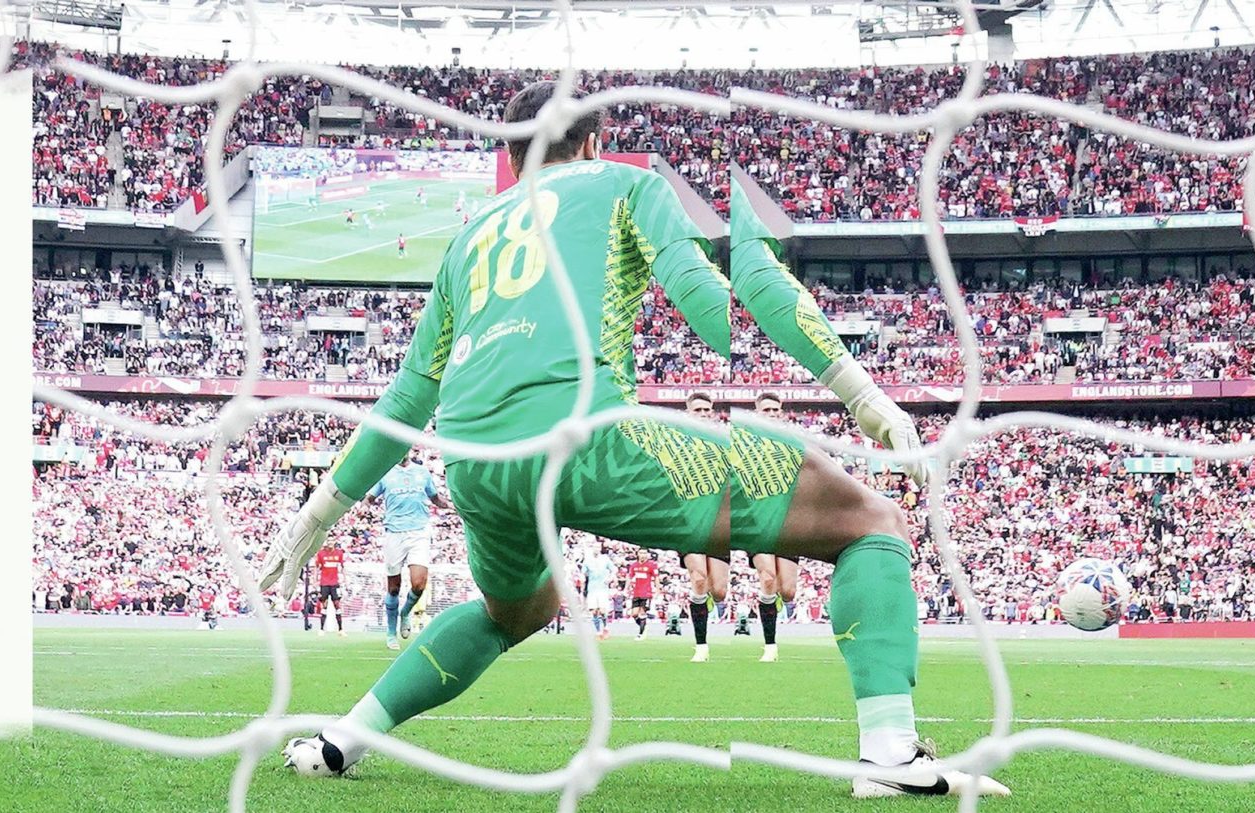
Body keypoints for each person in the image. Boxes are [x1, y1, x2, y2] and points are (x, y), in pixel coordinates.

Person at [260, 82, 997, 797]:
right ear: (593, 142)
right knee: (870, 522)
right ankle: (892, 751)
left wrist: (315, 514)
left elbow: (409, 396)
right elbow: (712, 299)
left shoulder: (467, 238)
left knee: (511, 612)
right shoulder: (623, 183)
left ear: (513, 161)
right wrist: (855, 391)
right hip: (588, 440)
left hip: (475, 466)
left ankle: (338, 742)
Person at [369, 455, 450, 650]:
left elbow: (435, 498)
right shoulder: (385, 473)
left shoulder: (422, 472)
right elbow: (369, 498)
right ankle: (390, 633)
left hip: (419, 532)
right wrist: (362, 502)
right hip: (394, 534)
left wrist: (452, 504)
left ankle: (405, 613)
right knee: (394, 588)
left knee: (419, 583)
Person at [748, 393, 801, 663]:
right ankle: (770, 645)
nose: (771, 412)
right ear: (757, 412)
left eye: (775, 409)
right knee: (767, 577)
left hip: (787, 523)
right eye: (766, 409)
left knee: (788, 591)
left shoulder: (791, 444)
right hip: (757, 524)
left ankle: (769, 609)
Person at [680, 392, 731, 663]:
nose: (703, 413)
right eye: (698, 409)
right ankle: (701, 646)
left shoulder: (724, 443)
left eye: (706, 409)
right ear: (688, 412)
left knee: (719, 591)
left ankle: (702, 609)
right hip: (690, 522)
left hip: (719, 524)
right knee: (698, 578)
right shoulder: (678, 442)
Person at [313, 543, 346, 636]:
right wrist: (314, 581)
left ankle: (340, 629)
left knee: (337, 605)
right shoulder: (321, 554)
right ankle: (321, 629)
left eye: (332, 541)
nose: (330, 543)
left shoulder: (339, 553)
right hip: (324, 584)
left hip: (335, 584)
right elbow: (316, 568)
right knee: (324, 606)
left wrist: (345, 580)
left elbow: (342, 567)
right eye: (329, 541)